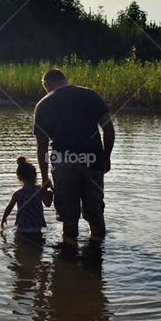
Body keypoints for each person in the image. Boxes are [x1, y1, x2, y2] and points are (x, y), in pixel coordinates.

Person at [33, 68, 114, 243]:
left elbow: (42, 147)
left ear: (46, 84)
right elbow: (109, 129)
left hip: (63, 165)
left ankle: (69, 255)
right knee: (96, 215)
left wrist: (45, 178)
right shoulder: (91, 95)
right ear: (65, 80)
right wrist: (106, 157)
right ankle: (97, 253)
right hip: (93, 162)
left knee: (68, 219)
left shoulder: (43, 104)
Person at [1, 156, 53, 237]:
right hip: (36, 228)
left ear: (19, 177)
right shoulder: (39, 191)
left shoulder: (17, 194)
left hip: (22, 228)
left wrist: (4, 218)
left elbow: (9, 208)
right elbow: (48, 204)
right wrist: (51, 190)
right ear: (35, 175)